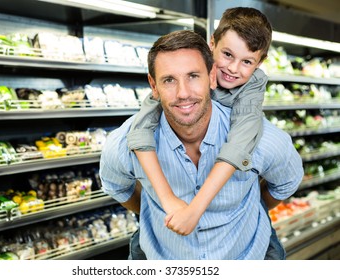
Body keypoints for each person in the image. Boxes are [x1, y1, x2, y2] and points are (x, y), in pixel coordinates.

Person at [100, 29, 304, 259]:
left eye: (193, 76)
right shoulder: (121, 144)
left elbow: (285, 183)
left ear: (212, 75)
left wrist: (244, 211)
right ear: (153, 85)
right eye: (169, 80)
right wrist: (157, 210)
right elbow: (117, 186)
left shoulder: (265, 139)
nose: (183, 93)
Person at [127, 7, 273, 236]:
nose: (233, 69)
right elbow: (140, 129)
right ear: (212, 43)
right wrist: (168, 199)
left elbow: (240, 143)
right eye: (227, 55)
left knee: (266, 244)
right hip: (171, 209)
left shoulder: (253, 84)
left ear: (260, 62)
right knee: (142, 242)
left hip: (230, 209)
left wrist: (194, 210)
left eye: (247, 61)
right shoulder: (187, 67)